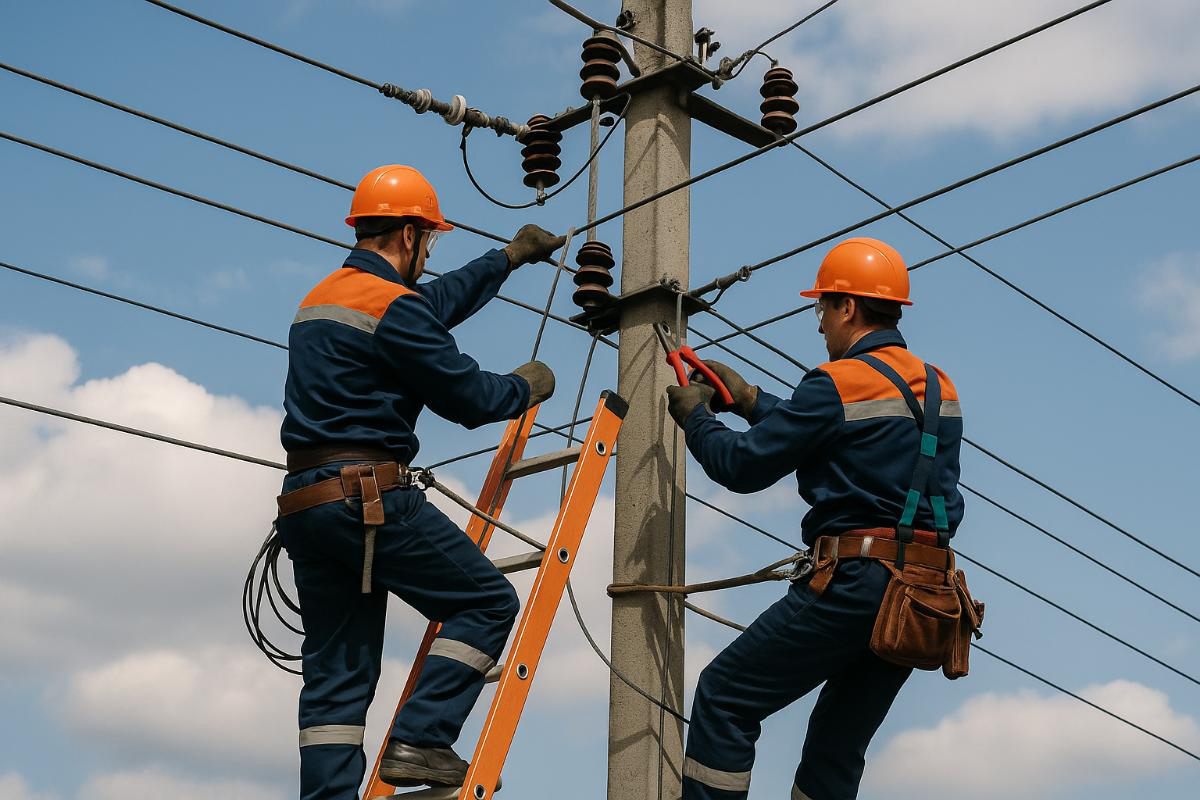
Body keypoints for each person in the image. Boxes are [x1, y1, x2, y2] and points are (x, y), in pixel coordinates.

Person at [275, 164, 564, 798]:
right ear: (410, 235)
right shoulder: (393, 308)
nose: (429, 256)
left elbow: (431, 307)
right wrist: (525, 387)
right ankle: (422, 740)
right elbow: (469, 398)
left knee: (336, 679)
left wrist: (507, 259)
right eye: (428, 242)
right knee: (486, 603)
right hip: (367, 497)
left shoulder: (324, 299)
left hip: (306, 505)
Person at [665, 237, 966, 800]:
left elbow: (742, 466)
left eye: (823, 308)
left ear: (847, 307)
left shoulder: (837, 381)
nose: (820, 324)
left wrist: (696, 419)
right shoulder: (937, 386)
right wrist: (751, 400)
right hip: (921, 595)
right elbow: (848, 440)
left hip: (855, 582)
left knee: (726, 697)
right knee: (836, 748)